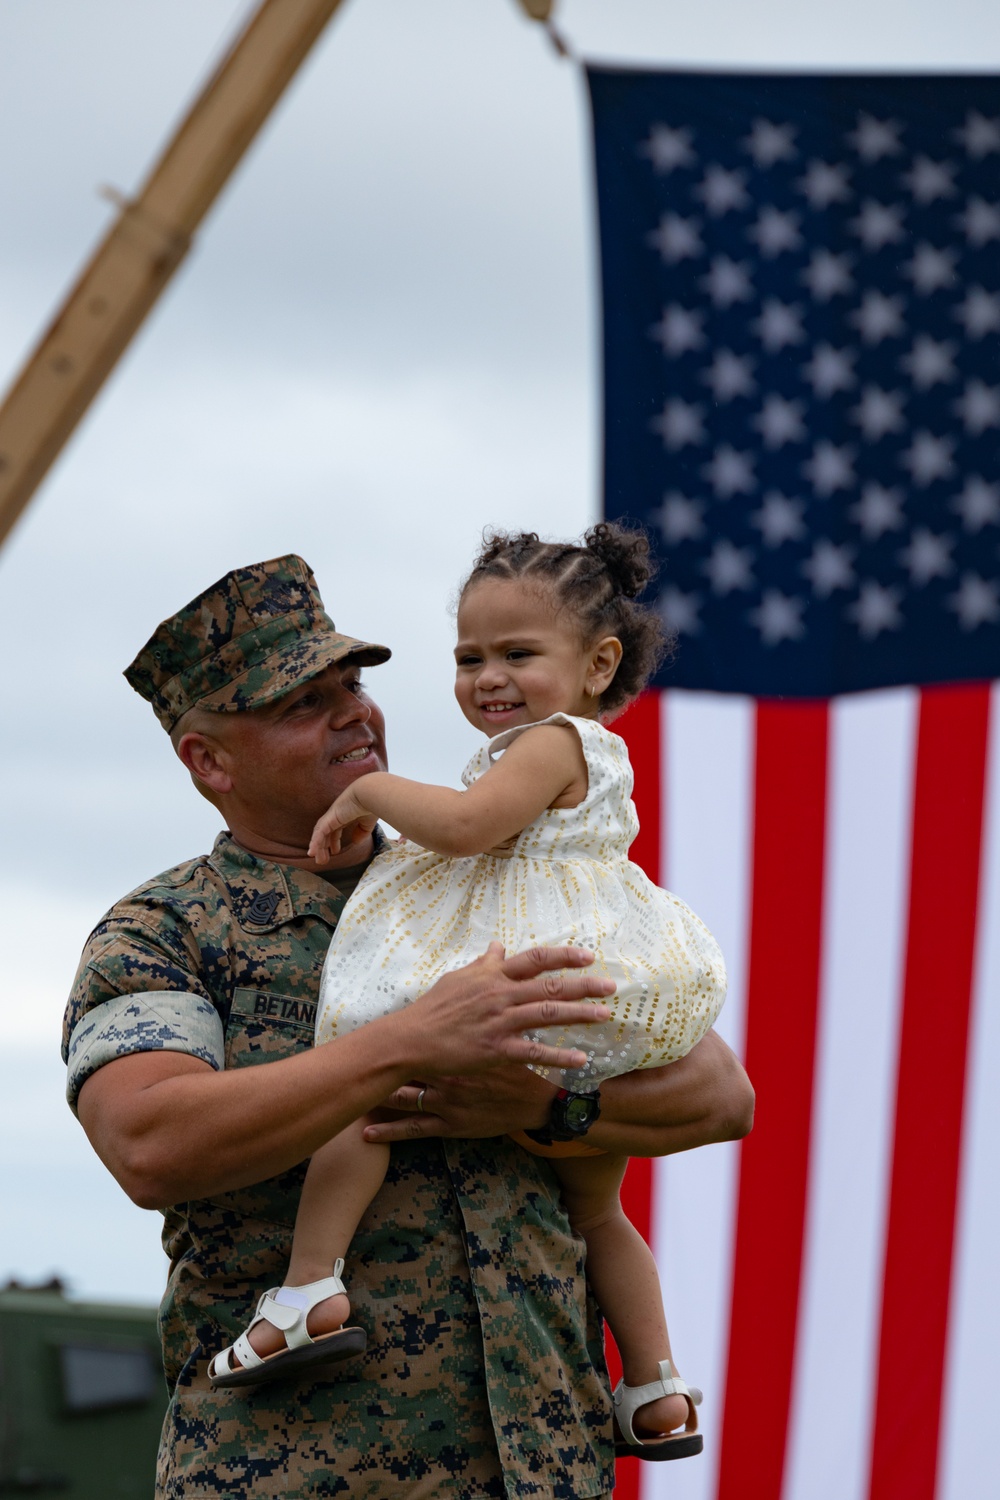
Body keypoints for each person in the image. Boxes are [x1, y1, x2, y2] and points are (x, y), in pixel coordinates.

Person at [63, 553, 754, 1500]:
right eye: (302, 702)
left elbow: (721, 1096)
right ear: (208, 759)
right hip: (304, 1473)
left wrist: (548, 1107)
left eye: (353, 684)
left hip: (540, 1466)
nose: (353, 711)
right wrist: (407, 1042)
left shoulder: (473, 879)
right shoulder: (169, 931)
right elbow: (149, 1141)